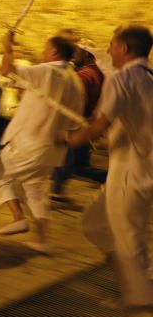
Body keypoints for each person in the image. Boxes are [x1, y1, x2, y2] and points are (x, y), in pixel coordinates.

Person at [65, 26, 152, 317]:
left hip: (134, 173)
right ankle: (135, 285)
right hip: (126, 170)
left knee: (130, 244)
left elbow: (99, 123)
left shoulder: (122, 79)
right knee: (95, 223)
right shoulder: (146, 77)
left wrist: (69, 139)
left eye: (112, 44)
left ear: (125, 47)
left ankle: (145, 313)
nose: (108, 48)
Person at [0, 33, 84, 252]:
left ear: (54, 52)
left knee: (0, 177)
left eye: (45, 48)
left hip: (29, 140)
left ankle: (18, 217)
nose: (43, 52)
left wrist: (6, 47)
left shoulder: (46, 70)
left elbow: (6, 70)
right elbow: (74, 115)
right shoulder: (75, 80)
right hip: (52, 145)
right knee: (35, 190)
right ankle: (43, 240)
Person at [50, 39, 106, 202]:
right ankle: (56, 191)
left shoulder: (85, 75)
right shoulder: (95, 72)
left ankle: (115, 179)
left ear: (87, 54)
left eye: (78, 51)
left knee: (72, 161)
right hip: (83, 122)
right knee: (74, 163)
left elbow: (75, 99)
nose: (74, 54)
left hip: (77, 123)